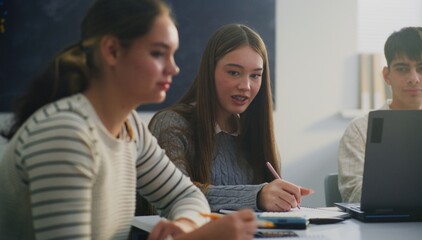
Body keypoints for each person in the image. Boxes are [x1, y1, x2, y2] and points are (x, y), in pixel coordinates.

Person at [0, 0, 257, 239]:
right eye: (158, 53)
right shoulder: (66, 133)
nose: (174, 68)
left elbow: (186, 194)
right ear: (112, 51)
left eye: (173, 54)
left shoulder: (129, 126)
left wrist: (185, 225)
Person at [148, 23, 313, 212]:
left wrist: (280, 199)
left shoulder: (254, 132)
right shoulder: (171, 124)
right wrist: (257, 196)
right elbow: (171, 196)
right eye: (234, 72)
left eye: (255, 75)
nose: (246, 86)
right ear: (210, 72)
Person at [338, 26, 422, 203]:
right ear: (387, 75)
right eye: (402, 69)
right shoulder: (360, 130)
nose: (414, 78)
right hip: (381, 226)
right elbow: (353, 194)